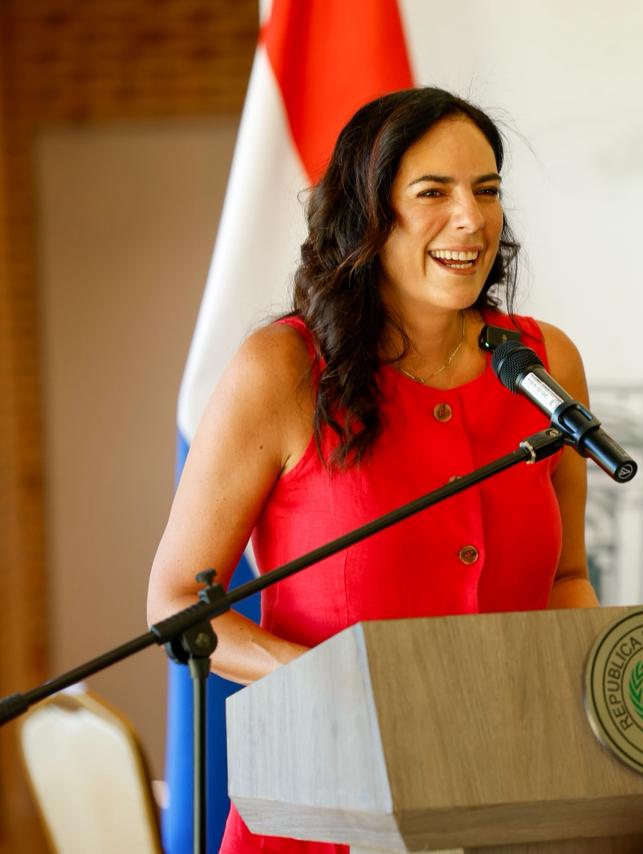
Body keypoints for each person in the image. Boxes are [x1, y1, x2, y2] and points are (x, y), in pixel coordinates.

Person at [146, 87, 598, 853]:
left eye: (487, 191)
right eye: (434, 192)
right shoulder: (282, 369)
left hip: (509, 799)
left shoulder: (543, 363)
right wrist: (344, 693)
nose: (471, 219)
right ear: (367, 214)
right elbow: (177, 604)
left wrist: (593, 710)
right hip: (324, 796)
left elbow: (567, 580)